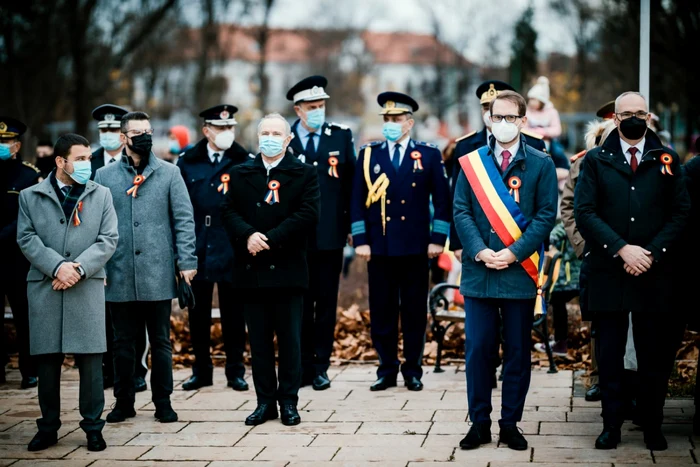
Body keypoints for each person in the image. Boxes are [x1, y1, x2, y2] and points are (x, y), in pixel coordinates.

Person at [574, 91, 689, 451]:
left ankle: (652, 424)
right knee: (608, 355)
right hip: (609, 269)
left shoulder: (668, 160)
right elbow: (585, 211)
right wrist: (622, 248)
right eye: (626, 114)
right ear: (615, 119)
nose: (633, 119)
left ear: (650, 116)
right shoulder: (595, 160)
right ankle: (611, 425)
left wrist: (651, 253)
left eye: (640, 113)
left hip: (654, 273)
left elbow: (681, 212)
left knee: (653, 355)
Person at [454, 90, 557, 451]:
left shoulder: (541, 164)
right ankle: (479, 423)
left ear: (523, 121)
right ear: (488, 119)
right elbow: (461, 211)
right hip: (479, 271)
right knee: (479, 349)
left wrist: (513, 253)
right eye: (497, 117)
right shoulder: (471, 162)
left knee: (516, 352)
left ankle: (510, 423)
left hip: (518, 273)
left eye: (510, 118)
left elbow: (546, 216)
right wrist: (480, 250)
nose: (503, 124)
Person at [17, 133, 118, 452]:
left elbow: (108, 239)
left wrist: (76, 268)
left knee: (90, 360)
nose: (88, 164)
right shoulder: (30, 195)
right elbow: (26, 237)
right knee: (47, 361)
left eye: (89, 157)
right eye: (81, 158)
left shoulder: (101, 194)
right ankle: (48, 427)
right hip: (46, 286)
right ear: (61, 162)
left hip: (85, 285)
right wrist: (56, 266)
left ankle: (92, 426)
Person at [94, 111, 197, 424]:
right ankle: (123, 402)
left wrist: (187, 261)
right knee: (122, 343)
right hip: (118, 272)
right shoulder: (104, 176)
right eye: (137, 131)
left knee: (161, 343)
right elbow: (94, 224)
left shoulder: (169, 173)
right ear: (123, 137)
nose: (144, 136)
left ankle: (162, 401)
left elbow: (183, 219)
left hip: (158, 271)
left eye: (148, 130)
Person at [221, 113, 320, 426]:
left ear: (288, 139)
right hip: (251, 271)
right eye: (265, 132)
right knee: (260, 343)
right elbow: (227, 210)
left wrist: (270, 240)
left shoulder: (305, 173)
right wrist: (248, 235)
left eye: (277, 132)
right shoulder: (239, 173)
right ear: (257, 137)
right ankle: (265, 403)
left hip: (288, 270)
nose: (270, 137)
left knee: (290, 342)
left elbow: (308, 214)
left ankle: (288, 402)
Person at [351, 92, 451, 392]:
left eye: (396, 120)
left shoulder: (429, 154)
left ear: (409, 123)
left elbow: (443, 201)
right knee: (382, 310)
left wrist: (438, 239)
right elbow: (357, 199)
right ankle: (386, 369)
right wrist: (360, 239)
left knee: (413, 311)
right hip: (379, 247)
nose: (390, 124)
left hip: (415, 247)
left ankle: (412, 369)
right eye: (387, 119)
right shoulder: (369, 154)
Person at [286, 75, 356, 390]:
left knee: (326, 303)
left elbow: (352, 185)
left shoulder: (340, 137)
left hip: (330, 235)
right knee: (299, 302)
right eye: (312, 107)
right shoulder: (284, 138)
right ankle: (299, 366)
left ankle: (320, 366)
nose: (318, 111)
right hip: (296, 238)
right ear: (298, 109)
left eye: (321, 105)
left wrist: (354, 228)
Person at [177, 104, 251, 392]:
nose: (226, 132)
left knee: (235, 313)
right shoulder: (188, 161)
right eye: (220, 128)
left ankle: (236, 371)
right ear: (206, 130)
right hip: (198, 243)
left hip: (232, 243)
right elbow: (179, 208)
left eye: (230, 127)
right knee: (198, 314)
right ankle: (202, 371)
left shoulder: (242, 159)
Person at [556, 110, 617, 402]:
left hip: (631, 257)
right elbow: (569, 207)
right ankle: (596, 377)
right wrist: (582, 245)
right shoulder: (583, 162)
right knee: (597, 323)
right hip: (595, 254)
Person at [89, 103, 148, 391]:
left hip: (135, 253)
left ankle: (136, 370)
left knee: (135, 323)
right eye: (105, 130)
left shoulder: (144, 161)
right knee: (105, 320)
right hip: (103, 254)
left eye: (115, 129)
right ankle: (107, 370)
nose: (110, 134)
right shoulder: (89, 164)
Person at [0, 117, 40, 388]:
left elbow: (31, 215)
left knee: (25, 315)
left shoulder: (28, 175)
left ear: (16, 145)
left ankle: (30, 369)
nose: (1, 146)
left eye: (5, 142)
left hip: (17, 257)